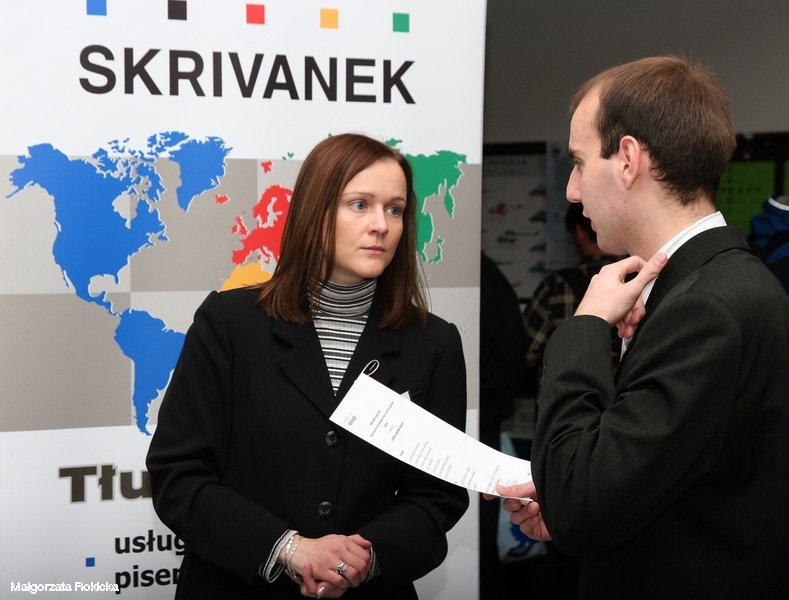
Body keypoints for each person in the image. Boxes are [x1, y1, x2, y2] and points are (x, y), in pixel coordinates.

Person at [495, 56, 789, 598]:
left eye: (579, 163)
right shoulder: (715, 286)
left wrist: (585, 326)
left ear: (628, 159)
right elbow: (657, 476)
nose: (571, 191)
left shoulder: (705, 308)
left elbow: (582, 501)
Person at [146, 133, 469, 599]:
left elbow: (437, 496)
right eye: (360, 205)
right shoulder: (230, 323)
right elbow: (179, 474)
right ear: (315, 212)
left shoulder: (433, 343)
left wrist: (361, 560)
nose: (381, 225)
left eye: (395, 209)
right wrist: (289, 549)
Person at [522, 202, 622, 384]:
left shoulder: (555, 285)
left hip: (566, 393)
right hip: (626, 394)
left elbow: (527, 353)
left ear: (579, 232)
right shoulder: (640, 280)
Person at [478, 251, 527, 600]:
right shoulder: (491, 278)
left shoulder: (481, 278)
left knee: (479, 538)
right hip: (486, 415)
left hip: (479, 420)